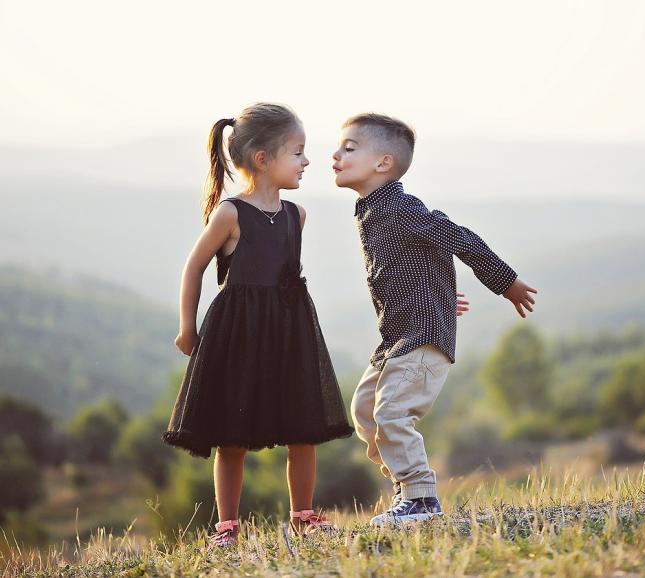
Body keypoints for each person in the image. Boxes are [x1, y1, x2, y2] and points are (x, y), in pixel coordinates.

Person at [162, 102, 354, 546]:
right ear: (263, 159)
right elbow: (194, 268)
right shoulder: (230, 214)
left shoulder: (296, 216)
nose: (307, 162)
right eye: (298, 152)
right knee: (233, 435)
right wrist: (186, 328)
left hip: (289, 333)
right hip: (238, 335)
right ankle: (227, 525)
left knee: (302, 427)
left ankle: (304, 515)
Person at [333, 113, 537, 526]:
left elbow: (457, 238)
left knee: (392, 414)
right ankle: (407, 490)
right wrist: (439, 296)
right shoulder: (371, 209)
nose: (335, 155)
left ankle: (421, 498)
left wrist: (506, 282)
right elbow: (415, 262)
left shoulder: (401, 207)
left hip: (422, 338)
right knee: (366, 412)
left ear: (383, 163)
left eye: (349, 148)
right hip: (397, 336)